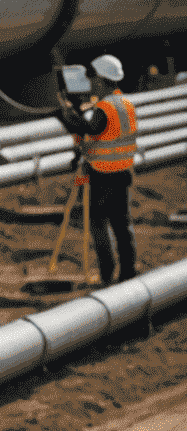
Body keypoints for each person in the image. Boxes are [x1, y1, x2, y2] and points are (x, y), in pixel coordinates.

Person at [56, 53, 138, 283]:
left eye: (93, 79)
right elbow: (108, 134)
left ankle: (106, 273)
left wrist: (67, 115)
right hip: (122, 172)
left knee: (99, 223)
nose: (91, 84)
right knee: (122, 225)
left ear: (102, 80)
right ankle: (129, 272)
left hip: (102, 175)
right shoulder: (125, 103)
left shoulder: (104, 108)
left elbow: (91, 129)